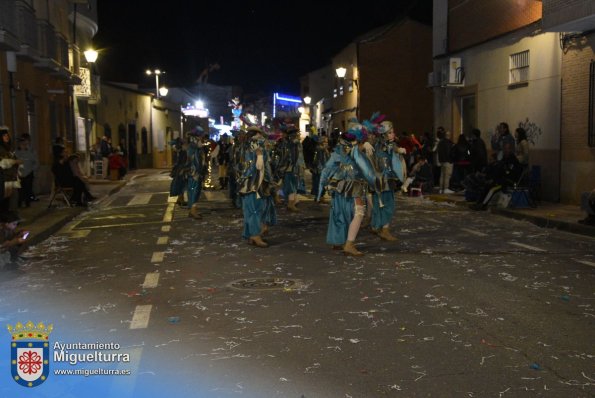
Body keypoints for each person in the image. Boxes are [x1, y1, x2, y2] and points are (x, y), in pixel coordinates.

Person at [318, 121, 376, 256]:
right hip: (352, 185)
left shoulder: (339, 149)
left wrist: (321, 187)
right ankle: (349, 244)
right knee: (358, 212)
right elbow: (367, 172)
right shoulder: (355, 151)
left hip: (339, 185)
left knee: (341, 212)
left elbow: (327, 168)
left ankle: (339, 240)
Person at [238, 126, 276, 247]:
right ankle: (255, 235)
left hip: (247, 184)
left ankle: (251, 235)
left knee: (249, 210)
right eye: (260, 135)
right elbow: (259, 167)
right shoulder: (255, 146)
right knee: (255, 210)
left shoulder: (244, 146)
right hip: (254, 183)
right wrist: (260, 154)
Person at [369, 119, 406, 241]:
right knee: (388, 205)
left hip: (378, 179)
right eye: (390, 132)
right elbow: (390, 149)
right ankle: (384, 230)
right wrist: (398, 150)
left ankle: (376, 226)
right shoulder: (384, 145)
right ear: (384, 134)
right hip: (384, 179)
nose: (393, 134)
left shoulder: (377, 144)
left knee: (378, 204)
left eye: (393, 132)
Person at [0, 126, 23, 213]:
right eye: (4, 136)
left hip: (11, 178)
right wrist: (15, 161)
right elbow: (2, 163)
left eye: (7, 135)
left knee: (13, 199)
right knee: (6, 201)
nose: (7, 137)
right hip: (4, 179)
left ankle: (12, 219)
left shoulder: (8, 149)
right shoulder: (1, 149)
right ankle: (7, 220)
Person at [15, 134, 39, 208]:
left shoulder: (31, 151)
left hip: (29, 173)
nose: (24, 143)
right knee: (19, 190)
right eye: (23, 141)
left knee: (28, 189)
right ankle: (19, 204)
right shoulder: (16, 151)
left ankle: (27, 203)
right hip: (19, 174)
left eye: (26, 141)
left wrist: (33, 171)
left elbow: (36, 162)